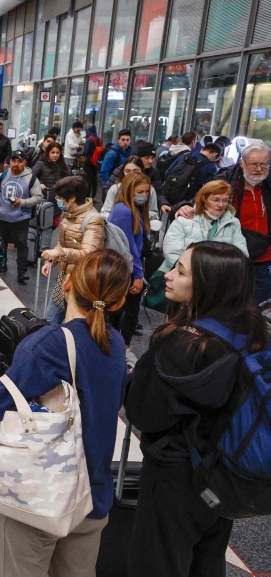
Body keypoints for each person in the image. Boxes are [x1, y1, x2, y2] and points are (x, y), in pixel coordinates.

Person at [0, 249, 130, 577]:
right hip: (94, 496)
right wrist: (8, 388)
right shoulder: (115, 342)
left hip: (42, 496)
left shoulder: (49, 343)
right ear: (119, 301)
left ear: (66, 283)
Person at [125, 241, 264, 577]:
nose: (169, 276)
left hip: (175, 475)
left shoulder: (183, 343)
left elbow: (144, 412)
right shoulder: (254, 330)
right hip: (226, 471)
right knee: (207, 561)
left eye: (181, 271)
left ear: (207, 284)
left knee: (156, 563)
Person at [205, 141, 271, 303]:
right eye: (253, 164)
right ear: (241, 163)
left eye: (264, 164)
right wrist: (182, 206)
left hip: (264, 258)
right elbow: (201, 202)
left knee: (258, 308)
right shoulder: (227, 182)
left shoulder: (268, 184)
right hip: (232, 257)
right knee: (227, 305)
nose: (258, 169)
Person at [40, 175, 105, 325]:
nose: (57, 200)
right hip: (65, 277)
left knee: (75, 323)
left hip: (82, 282)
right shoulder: (69, 213)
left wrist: (58, 254)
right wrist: (52, 260)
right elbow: (64, 243)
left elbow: (88, 254)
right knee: (50, 320)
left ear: (72, 199)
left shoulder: (94, 220)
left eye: (60, 198)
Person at [161, 180, 248, 276]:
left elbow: (241, 255)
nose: (221, 204)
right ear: (204, 200)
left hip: (217, 277)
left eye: (225, 200)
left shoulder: (233, 223)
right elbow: (172, 252)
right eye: (215, 200)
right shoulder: (184, 220)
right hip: (181, 275)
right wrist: (194, 274)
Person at [107, 172, 150, 360]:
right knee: (125, 314)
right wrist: (138, 275)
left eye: (147, 191)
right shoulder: (124, 211)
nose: (144, 195)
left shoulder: (132, 209)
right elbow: (128, 248)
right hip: (127, 270)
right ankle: (120, 350)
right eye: (140, 191)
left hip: (130, 267)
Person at [0, 150, 43, 284]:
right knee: (2, 243)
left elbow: (38, 197)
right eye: (13, 160)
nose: (16, 164)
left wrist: (22, 202)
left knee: (21, 244)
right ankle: (2, 264)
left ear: (25, 162)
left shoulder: (31, 178)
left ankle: (22, 272)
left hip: (21, 218)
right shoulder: (2, 176)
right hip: (4, 217)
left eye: (19, 161)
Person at [31, 140, 70, 220]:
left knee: (53, 225)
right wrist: (39, 183)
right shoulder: (41, 163)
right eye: (53, 152)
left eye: (57, 152)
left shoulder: (62, 165)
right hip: (43, 201)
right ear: (48, 153)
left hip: (57, 201)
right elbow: (31, 176)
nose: (55, 155)